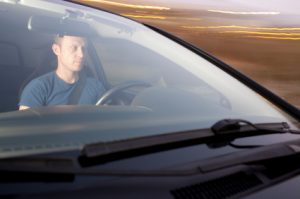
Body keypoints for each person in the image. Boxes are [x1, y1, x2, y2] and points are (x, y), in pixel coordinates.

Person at [19, 35, 105, 110]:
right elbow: (25, 126)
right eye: (73, 48)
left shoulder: (96, 86)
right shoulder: (38, 88)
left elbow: (106, 121)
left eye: (83, 48)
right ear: (56, 49)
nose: (81, 54)